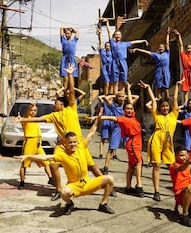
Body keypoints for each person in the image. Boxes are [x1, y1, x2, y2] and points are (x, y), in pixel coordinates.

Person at [13, 64, 104, 201]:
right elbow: (39, 119)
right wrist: (24, 118)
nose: (53, 104)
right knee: (54, 165)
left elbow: (72, 92)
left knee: (91, 166)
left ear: (61, 104)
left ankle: (104, 184)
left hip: (78, 142)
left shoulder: (71, 108)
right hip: (62, 144)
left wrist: (70, 75)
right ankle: (58, 189)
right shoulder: (53, 115)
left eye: (55, 103)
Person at [15, 131, 115, 215]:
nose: (73, 144)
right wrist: (28, 156)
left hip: (88, 183)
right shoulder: (62, 155)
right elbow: (45, 157)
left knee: (109, 178)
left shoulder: (81, 147)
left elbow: (91, 134)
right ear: (65, 144)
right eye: (70, 142)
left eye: (75, 142)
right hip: (74, 187)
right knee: (63, 192)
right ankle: (69, 204)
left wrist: (97, 120)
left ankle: (103, 204)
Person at [91, 83, 144, 197]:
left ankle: (128, 187)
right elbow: (110, 116)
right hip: (132, 142)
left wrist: (128, 90)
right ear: (125, 110)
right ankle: (139, 186)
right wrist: (97, 117)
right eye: (128, 109)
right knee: (138, 163)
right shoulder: (123, 118)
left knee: (131, 165)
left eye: (131, 109)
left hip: (136, 142)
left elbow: (132, 100)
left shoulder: (132, 115)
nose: (130, 110)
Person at [139, 78, 183, 201]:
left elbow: (174, 100)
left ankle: (177, 189)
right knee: (157, 166)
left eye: (166, 106)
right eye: (162, 106)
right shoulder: (156, 115)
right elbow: (153, 100)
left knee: (172, 167)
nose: (165, 108)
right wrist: (148, 88)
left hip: (169, 142)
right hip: (156, 139)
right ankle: (156, 191)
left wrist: (177, 86)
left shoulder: (174, 114)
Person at [103, 18, 149, 94]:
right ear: (114, 36)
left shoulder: (124, 44)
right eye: (116, 35)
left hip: (123, 61)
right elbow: (108, 32)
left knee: (123, 80)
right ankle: (115, 95)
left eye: (119, 35)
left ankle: (122, 94)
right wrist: (107, 23)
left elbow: (134, 41)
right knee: (115, 80)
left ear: (121, 36)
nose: (117, 36)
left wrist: (143, 40)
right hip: (115, 62)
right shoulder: (112, 42)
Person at [18, 102, 53, 190]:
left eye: (35, 110)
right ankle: (22, 182)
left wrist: (39, 141)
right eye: (32, 110)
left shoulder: (35, 120)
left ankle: (51, 178)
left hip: (37, 143)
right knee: (24, 164)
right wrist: (30, 106)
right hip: (29, 142)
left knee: (46, 161)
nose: (33, 112)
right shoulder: (26, 119)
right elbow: (25, 116)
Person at [130, 27, 171, 99]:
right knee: (158, 87)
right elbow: (147, 52)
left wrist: (167, 34)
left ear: (164, 48)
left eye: (162, 47)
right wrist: (137, 49)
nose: (161, 48)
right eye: (159, 47)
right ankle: (159, 100)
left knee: (166, 87)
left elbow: (167, 43)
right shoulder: (156, 55)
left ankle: (167, 99)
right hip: (158, 71)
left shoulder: (167, 53)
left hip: (166, 71)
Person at [98, 21, 113, 96]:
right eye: (106, 45)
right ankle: (106, 96)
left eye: (109, 46)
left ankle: (110, 95)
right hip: (105, 68)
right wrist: (100, 33)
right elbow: (101, 41)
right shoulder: (102, 51)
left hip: (112, 68)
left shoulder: (113, 51)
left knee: (111, 83)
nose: (108, 47)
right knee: (107, 83)